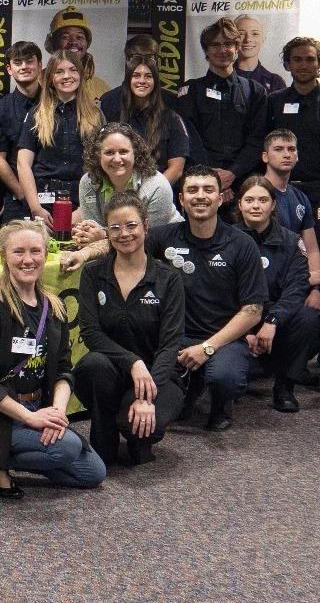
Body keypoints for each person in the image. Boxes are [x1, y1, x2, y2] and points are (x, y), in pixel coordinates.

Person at [0, 219, 106, 497]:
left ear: (45, 254)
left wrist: (57, 413)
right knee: (67, 448)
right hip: (3, 413)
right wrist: (31, 419)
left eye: (35, 251)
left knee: (94, 472)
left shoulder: (55, 307)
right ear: (4, 257)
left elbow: (65, 369)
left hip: (42, 408)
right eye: (18, 252)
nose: (28, 260)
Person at [145, 166, 268, 431]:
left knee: (225, 378)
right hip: (174, 336)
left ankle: (221, 402)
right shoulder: (161, 237)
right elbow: (124, 245)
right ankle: (188, 390)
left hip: (223, 338)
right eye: (192, 190)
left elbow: (254, 310)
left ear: (221, 198)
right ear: (181, 199)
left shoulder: (242, 244)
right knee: (156, 397)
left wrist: (207, 348)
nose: (200, 196)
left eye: (208, 190)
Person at [72, 191, 185, 466]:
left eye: (131, 225)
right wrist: (133, 362)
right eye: (115, 227)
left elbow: (170, 345)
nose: (124, 234)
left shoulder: (168, 279)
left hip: (159, 374)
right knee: (92, 365)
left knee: (139, 426)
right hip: (111, 371)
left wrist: (147, 396)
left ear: (146, 226)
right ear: (107, 232)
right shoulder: (93, 273)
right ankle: (104, 437)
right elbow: (90, 333)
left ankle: (138, 437)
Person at [232, 176, 318, 412]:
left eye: (263, 199)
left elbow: (297, 287)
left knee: (309, 317)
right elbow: (219, 292)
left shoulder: (291, 242)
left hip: (276, 318)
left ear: (273, 205)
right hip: (235, 317)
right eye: (249, 200)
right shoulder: (226, 239)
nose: (256, 205)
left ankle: (284, 387)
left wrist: (273, 320)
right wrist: (245, 330)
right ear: (239, 205)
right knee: (230, 380)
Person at [175, 17, 269, 199]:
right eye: (215, 45)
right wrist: (213, 178)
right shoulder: (190, 91)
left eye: (228, 44)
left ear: (236, 49)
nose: (222, 50)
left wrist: (232, 173)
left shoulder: (256, 91)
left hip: (244, 185)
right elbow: (189, 137)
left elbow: (257, 139)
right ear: (206, 51)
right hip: (201, 183)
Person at [10, 50, 103, 224]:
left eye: (73, 70)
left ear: (81, 75)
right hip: (43, 202)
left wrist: (85, 208)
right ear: (51, 78)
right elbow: (23, 164)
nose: (67, 76)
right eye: (59, 71)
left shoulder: (96, 115)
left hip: (83, 200)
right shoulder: (36, 114)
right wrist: (36, 208)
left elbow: (103, 166)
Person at [72, 122, 182, 246]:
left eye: (123, 152)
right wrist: (86, 234)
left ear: (136, 154)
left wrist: (104, 235)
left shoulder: (157, 185)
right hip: (113, 248)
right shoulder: (88, 182)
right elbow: (92, 229)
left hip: (165, 248)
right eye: (109, 153)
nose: (117, 159)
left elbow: (150, 237)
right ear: (98, 156)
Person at [0, 41, 43, 239]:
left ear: (39, 65)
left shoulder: (54, 105)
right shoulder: (0, 109)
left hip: (51, 192)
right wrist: (23, 194)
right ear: (9, 69)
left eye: (29, 61)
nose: (24, 66)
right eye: (18, 62)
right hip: (17, 198)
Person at [101, 56, 191, 184]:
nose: (142, 81)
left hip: (158, 193)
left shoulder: (172, 119)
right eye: (136, 76)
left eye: (148, 76)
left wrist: (150, 192)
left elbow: (176, 169)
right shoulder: (113, 117)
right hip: (120, 193)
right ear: (128, 81)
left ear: (155, 82)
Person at [259, 129, 320, 308]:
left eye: (291, 149)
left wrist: (316, 290)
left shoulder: (301, 198)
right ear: (265, 156)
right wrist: (306, 279)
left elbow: (312, 249)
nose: (287, 154)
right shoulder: (256, 194)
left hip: (299, 282)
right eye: (278, 149)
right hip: (267, 285)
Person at [267, 37, 320, 208]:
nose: (303, 65)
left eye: (310, 59)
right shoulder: (274, 101)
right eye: (297, 59)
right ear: (287, 64)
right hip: (282, 190)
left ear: (318, 64)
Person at [44, 6, 108, 103]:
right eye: (65, 37)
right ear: (53, 42)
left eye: (79, 37)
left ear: (87, 43)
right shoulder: (39, 83)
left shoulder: (102, 89)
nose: (73, 42)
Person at [235, 14, 287, 93]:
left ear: (263, 39)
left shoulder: (275, 82)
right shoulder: (222, 78)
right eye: (241, 34)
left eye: (255, 34)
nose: (248, 39)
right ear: (232, 39)